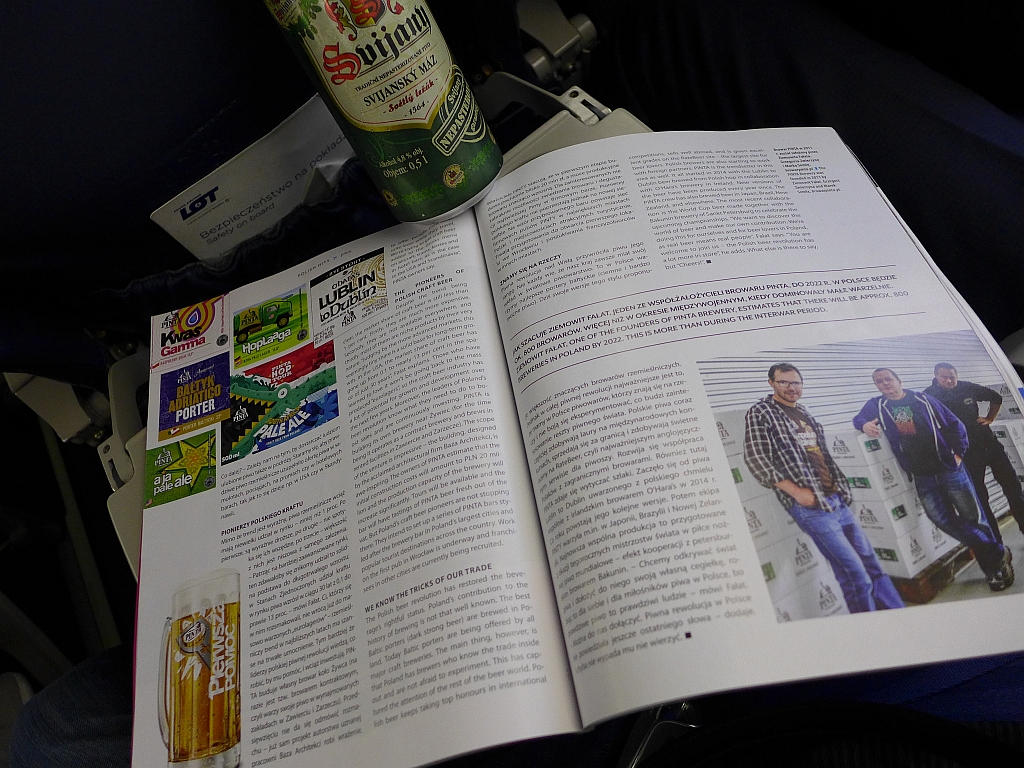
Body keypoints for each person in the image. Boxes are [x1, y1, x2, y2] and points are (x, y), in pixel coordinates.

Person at [743, 363, 904, 613]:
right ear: (771, 383)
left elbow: (821, 455)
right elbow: (755, 458)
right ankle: (870, 626)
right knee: (854, 574)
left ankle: (896, 615)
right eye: (783, 382)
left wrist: (839, 487)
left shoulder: (803, 412)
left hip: (835, 498)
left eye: (796, 382)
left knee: (872, 564)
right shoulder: (761, 412)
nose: (791, 388)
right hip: (812, 508)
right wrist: (797, 492)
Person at [853, 368, 1014, 591]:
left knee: (973, 518)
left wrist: (958, 454)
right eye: (879, 382)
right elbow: (859, 418)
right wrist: (863, 424)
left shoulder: (923, 399)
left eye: (888, 379)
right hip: (922, 475)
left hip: (949, 469)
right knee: (939, 518)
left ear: (899, 380)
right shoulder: (877, 405)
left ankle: (994, 569)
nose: (885, 384)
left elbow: (954, 424)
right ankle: (998, 551)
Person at [924, 362, 1024, 541]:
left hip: (989, 445)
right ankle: (997, 544)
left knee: (1013, 487)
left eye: (952, 377)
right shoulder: (929, 396)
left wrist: (990, 418)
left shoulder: (967, 387)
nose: (949, 381)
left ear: (957, 375)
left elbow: (996, 397)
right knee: (980, 499)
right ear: (936, 376)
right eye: (944, 377)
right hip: (966, 454)